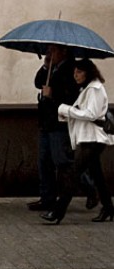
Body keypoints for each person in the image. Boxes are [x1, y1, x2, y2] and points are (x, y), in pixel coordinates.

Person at [43, 59, 114, 224]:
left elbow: (91, 114)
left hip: (93, 138)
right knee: (97, 175)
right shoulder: (87, 89)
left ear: (88, 73)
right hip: (88, 136)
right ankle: (109, 208)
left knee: (74, 174)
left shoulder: (95, 89)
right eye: (75, 72)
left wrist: (65, 109)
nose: (76, 75)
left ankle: (57, 212)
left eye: (79, 72)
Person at [27, 44, 82, 212]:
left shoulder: (71, 69)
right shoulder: (52, 67)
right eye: (48, 51)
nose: (49, 54)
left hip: (60, 122)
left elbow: (71, 96)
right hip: (46, 121)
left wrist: (52, 95)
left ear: (63, 51)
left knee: (61, 161)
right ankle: (47, 198)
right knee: (44, 161)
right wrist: (45, 66)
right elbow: (38, 82)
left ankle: (88, 187)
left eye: (53, 50)